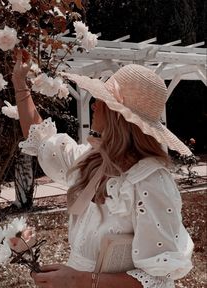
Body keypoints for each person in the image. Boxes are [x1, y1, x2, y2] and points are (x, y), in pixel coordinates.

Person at [12, 50, 194, 288]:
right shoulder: (94, 162)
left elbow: (158, 278)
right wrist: (19, 83)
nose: (95, 106)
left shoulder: (150, 182)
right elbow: (42, 140)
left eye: (103, 101)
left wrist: (79, 280)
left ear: (119, 117)